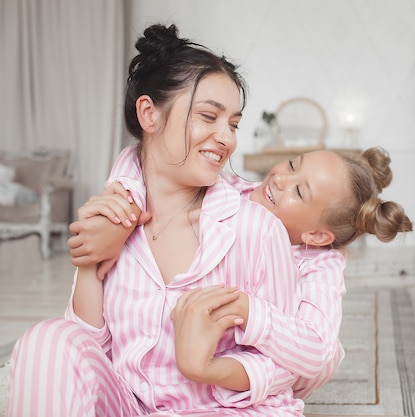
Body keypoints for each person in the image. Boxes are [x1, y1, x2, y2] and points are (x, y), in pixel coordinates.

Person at [7, 23, 307, 417]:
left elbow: (286, 366)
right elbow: (86, 354)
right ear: (149, 114)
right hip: (128, 406)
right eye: (208, 117)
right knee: (46, 341)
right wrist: (88, 265)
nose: (227, 138)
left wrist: (209, 367)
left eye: (232, 124)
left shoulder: (255, 229)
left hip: (223, 411)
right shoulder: (112, 218)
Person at [69, 143, 414, 401]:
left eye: (298, 191)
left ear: (318, 236)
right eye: (293, 164)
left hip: (256, 362)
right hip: (188, 344)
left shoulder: (320, 263)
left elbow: (315, 351)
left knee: (324, 356)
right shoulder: (231, 191)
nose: (281, 178)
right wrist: (124, 205)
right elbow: (138, 155)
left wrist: (247, 311)